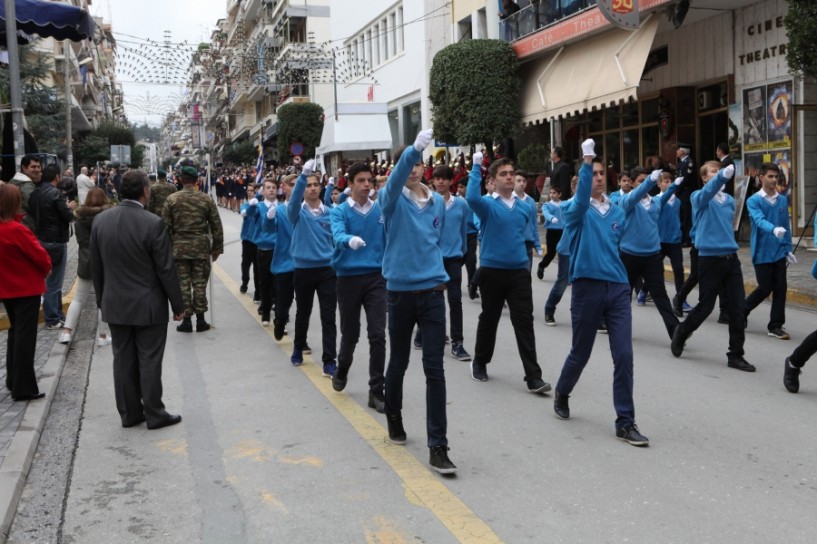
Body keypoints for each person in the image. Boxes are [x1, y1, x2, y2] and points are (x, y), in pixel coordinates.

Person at [552, 139, 649, 447]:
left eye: (599, 173)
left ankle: (625, 421)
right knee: (580, 353)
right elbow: (581, 202)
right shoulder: (574, 210)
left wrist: (657, 177)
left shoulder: (618, 211)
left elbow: (635, 197)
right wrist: (586, 158)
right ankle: (563, 391)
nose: (597, 177)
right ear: (581, 179)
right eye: (591, 173)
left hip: (618, 289)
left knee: (624, 355)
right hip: (586, 288)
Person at [380, 129, 456, 475]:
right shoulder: (391, 198)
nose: (412, 169)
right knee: (398, 362)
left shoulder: (438, 202)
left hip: (432, 292)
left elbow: (434, 239)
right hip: (399, 293)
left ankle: (438, 445)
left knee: (434, 369)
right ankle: (394, 418)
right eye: (407, 164)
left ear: (425, 169)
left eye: (417, 164)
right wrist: (411, 150)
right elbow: (396, 181)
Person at [90, 169, 186, 429]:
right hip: (148, 305)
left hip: (115, 303)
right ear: (146, 191)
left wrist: (102, 299)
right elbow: (166, 269)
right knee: (150, 359)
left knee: (122, 359)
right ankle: (155, 413)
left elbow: (95, 267)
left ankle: (130, 414)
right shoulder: (152, 223)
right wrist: (178, 305)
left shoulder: (100, 221)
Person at [466, 153, 551, 395]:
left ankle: (533, 377)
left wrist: (535, 245)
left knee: (524, 322)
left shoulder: (524, 207)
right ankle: (480, 362)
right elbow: (471, 197)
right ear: (493, 179)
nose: (509, 177)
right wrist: (475, 166)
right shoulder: (487, 205)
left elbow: (530, 229)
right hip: (492, 272)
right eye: (503, 174)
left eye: (511, 173)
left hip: (518, 272)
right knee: (489, 319)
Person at [670, 161, 755, 371]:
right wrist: (721, 177)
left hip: (730, 258)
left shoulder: (728, 200)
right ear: (705, 178)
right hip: (709, 259)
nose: (719, 175)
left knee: (737, 308)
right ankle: (682, 331)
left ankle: (735, 354)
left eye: (720, 171)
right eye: (714, 172)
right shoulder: (698, 198)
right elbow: (706, 194)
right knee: (706, 306)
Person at [329, 162, 387, 412]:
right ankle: (342, 367)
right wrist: (348, 240)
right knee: (350, 334)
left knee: (378, 334)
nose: (366, 185)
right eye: (361, 181)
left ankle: (376, 390)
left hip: (376, 278)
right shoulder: (339, 211)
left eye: (370, 181)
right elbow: (336, 233)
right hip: (348, 278)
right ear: (350, 183)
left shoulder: (381, 210)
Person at [414, 164, 472, 361]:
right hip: (432, 258)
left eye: (444, 178)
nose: (440, 182)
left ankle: (458, 342)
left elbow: (464, 230)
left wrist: (461, 252)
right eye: (437, 178)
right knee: (427, 299)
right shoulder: (426, 202)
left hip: (453, 258)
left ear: (450, 181)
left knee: (455, 300)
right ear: (433, 181)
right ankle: (422, 332)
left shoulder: (461, 204)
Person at [0, 184, 52, 401]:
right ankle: (23, 386)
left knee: (15, 333)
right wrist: (46, 269)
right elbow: (42, 258)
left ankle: (13, 379)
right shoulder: (17, 230)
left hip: (6, 288)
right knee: (25, 337)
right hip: (26, 288)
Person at [616, 167, 681, 340]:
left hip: (652, 255)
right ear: (631, 183)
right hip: (629, 255)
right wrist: (650, 181)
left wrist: (674, 186)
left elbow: (665, 197)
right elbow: (638, 194)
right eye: (640, 181)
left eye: (647, 180)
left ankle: (675, 332)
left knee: (660, 295)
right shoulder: (626, 201)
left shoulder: (655, 202)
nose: (645, 184)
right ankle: (616, 326)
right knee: (623, 294)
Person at [285, 163, 337, 376]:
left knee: (328, 317)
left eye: (316, 185)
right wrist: (302, 176)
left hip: (327, 270)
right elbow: (295, 200)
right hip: (303, 270)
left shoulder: (331, 213)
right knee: (303, 313)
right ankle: (298, 347)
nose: (313, 188)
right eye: (308, 185)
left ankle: (329, 361)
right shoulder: (296, 212)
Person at [162, 165, 223, 333]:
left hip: (179, 248)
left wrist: (164, 250)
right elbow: (216, 225)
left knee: (182, 285)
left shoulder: (172, 199)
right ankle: (201, 320)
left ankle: (186, 321)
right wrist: (216, 248)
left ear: (181, 180)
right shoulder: (205, 199)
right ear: (196, 180)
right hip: (201, 248)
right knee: (199, 284)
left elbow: (165, 228)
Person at [744, 162, 794, 340]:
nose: (774, 180)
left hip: (779, 251)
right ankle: (742, 310)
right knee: (765, 288)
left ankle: (775, 326)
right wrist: (773, 229)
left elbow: (785, 226)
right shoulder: (753, 200)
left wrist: (788, 248)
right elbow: (759, 220)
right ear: (761, 177)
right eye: (770, 176)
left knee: (781, 288)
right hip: (762, 251)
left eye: (776, 177)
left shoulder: (781, 199)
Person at [59, 187, 112, 346]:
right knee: (103, 299)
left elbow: (81, 241)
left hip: (85, 259)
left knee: (79, 298)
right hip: (103, 260)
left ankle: (66, 333)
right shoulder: (108, 217)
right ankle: (102, 336)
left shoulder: (79, 218)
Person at [29, 165, 77, 329]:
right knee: (54, 283)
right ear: (57, 177)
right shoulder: (56, 194)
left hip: (41, 238)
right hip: (56, 240)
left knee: (50, 280)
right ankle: (52, 319)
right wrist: (69, 208)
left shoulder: (35, 193)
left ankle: (57, 315)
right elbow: (67, 216)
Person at [543, 176, 578, 326]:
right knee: (563, 281)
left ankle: (592, 317)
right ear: (574, 188)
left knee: (587, 283)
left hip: (585, 249)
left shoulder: (598, 204)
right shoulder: (568, 205)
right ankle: (549, 309)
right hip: (568, 249)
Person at [248, 178, 279, 322]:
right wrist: (252, 205)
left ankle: (280, 314)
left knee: (280, 283)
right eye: (268, 187)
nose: (271, 189)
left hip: (280, 249)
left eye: (273, 187)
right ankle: (265, 311)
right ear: (263, 191)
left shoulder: (282, 207)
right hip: (264, 249)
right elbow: (250, 214)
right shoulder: (259, 206)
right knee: (265, 282)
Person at [513, 170, 542, 272]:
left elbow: (534, 224)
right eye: (518, 180)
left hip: (527, 244)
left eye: (524, 181)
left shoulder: (531, 201)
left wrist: (537, 245)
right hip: (513, 243)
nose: (521, 183)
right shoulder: (508, 200)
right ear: (513, 181)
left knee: (526, 276)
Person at [239, 183, 261, 300]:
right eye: (248, 190)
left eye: (252, 190)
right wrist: (251, 206)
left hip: (257, 241)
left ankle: (258, 292)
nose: (249, 192)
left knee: (257, 268)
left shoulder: (260, 206)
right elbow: (243, 214)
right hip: (247, 240)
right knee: (245, 265)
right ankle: (245, 282)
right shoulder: (245, 204)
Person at [536, 185, 564, 279]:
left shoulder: (564, 204)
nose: (551, 195)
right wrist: (551, 218)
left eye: (554, 193)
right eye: (550, 193)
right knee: (551, 253)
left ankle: (563, 275)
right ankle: (541, 266)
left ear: (559, 194)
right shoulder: (546, 205)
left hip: (563, 232)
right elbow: (546, 214)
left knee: (564, 254)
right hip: (552, 232)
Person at [9, 154, 42, 230]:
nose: (37, 170)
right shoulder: (27, 186)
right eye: (33, 167)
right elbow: (35, 207)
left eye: (39, 167)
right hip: (26, 227)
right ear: (24, 168)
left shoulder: (14, 182)